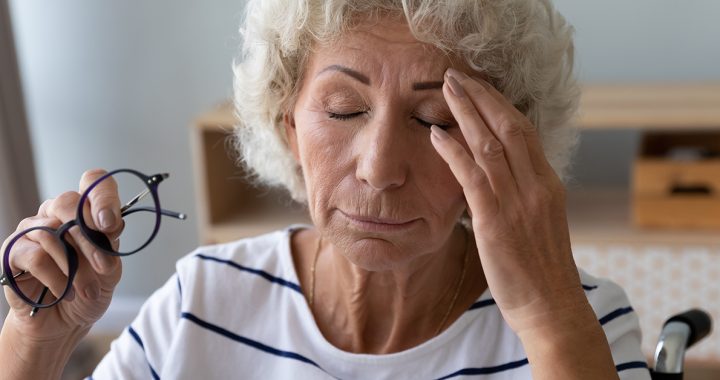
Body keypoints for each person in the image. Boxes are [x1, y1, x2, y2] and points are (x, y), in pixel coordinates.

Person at [0, 0, 651, 379]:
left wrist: (549, 318)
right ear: (289, 126)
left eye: (435, 122)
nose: (379, 168)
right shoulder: (200, 301)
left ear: (505, 150)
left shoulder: (580, 326)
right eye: (344, 109)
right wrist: (36, 344)